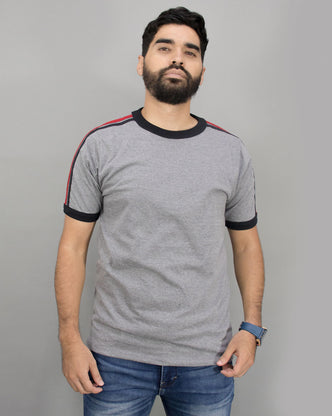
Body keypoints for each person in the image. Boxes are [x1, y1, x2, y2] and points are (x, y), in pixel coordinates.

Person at [55, 6, 266, 416]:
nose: (177, 58)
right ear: (141, 63)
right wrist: (69, 338)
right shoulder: (101, 146)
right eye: (164, 47)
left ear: (202, 70)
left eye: (190, 52)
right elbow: (72, 247)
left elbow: (246, 246)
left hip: (208, 359)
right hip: (115, 360)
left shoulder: (231, 152)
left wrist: (252, 328)